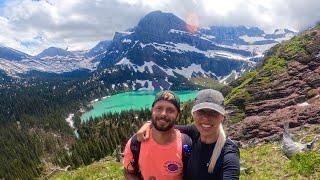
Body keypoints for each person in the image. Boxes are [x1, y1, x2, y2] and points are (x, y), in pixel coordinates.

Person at [137, 89, 240, 180]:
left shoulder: (228, 152)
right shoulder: (195, 131)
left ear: (222, 116)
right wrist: (149, 124)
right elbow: (167, 126)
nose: (206, 118)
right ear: (193, 114)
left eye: (213, 113)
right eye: (201, 112)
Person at [123, 90, 191, 180]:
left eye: (170, 110)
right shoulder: (136, 142)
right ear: (152, 110)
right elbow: (128, 172)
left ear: (178, 115)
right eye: (159, 108)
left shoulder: (186, 144)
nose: (163, 114)